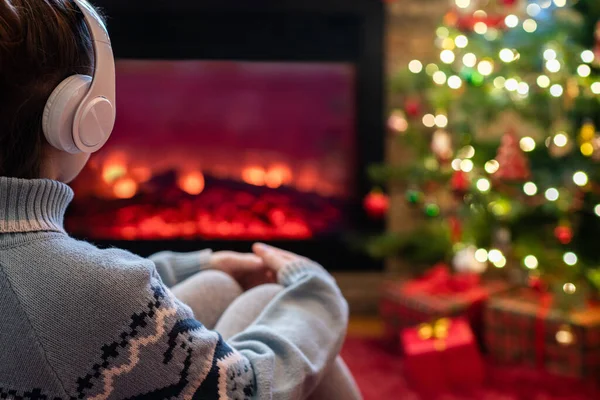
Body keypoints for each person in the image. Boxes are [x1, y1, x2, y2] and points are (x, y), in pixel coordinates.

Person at [0, 1, 362, 399]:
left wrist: (197, 264)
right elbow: (249, 390)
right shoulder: (87, 292)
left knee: (216, 284)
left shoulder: (47, 277)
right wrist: (315, 288)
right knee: (272, 299)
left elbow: (57, 294)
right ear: (81, 114)